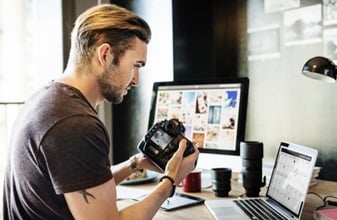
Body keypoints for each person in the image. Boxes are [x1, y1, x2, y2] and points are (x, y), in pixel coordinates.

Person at [2, 3, 199, 220]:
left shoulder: (47, 99)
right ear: (105, 54)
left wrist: (136, 163)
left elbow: (85, 183)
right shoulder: (76, 124)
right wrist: (170, 181)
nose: (136, 80)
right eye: (135, 65)